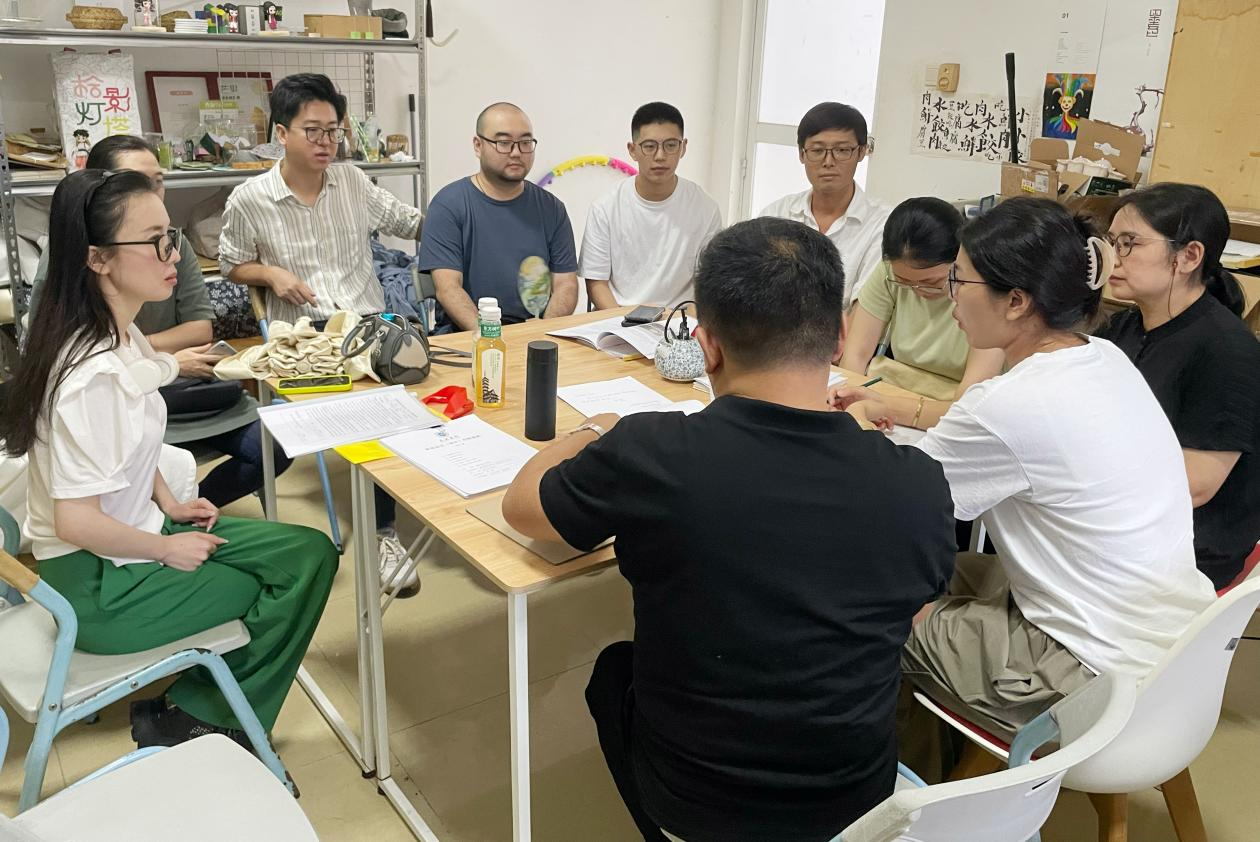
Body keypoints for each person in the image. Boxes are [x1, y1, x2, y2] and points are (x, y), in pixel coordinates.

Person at [502, 218, 957, 841]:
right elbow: (908, 614)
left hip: (696, 810)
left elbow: (523, 508)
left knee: (613, 672)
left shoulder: (650, 452)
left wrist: (594, 429)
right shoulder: (919, 483)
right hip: (857, 809)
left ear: (707, 346)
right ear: (839, 336)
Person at [840, 198, 1216, 741]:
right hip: (1172, 653)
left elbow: (889, 504)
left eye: (958, 281)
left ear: (1016, 301)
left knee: (854, 609)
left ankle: (895, 773)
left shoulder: (1009, 403)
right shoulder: (1103, 356)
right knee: (924, 574)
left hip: (1089, 677)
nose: (951, 300)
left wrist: (855, 424)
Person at [0, 169, 337, 753]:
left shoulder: (119, 335)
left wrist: (169, 503)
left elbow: (129, 446)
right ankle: (198, 714)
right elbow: (75, 521)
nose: (173, 254)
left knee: (309, 553)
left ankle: (205, 699)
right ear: (98, 259)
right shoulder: (90, 375)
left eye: (171, 236)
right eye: (155, 241)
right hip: (99, 585)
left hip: (135, 536)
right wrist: (165, 548)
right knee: (278, 585)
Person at [218, 73, 425, 595]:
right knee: (329, 426)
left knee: (408, 405)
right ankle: (383, 533)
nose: (326, 142)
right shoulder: (250, 199)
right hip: (302, 337)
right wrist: (271, 274)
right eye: (312, 130)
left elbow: (411, 222)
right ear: (281, 133)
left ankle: (384, 531)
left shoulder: (352, 181)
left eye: (333, 130)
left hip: (369, 325)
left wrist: (469, 212)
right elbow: (230, 264)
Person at [30, 134, 293, 509]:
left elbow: (200, 329)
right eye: (138, 183)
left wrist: (152, 359)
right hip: (147, 395)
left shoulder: (169, 246)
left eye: (158, 181)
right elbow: (75, 519)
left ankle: (189, 503)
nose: (153, 193)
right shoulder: (91, 364)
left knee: (276, 443)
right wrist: (158, 360)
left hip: (182, 392)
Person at [1096, 183, 1260, 590]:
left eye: (1129, 243)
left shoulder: (1227, 351)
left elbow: (1196, 485)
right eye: (1111, 242)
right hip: (1125, 523)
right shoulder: (1124, 327)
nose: (1113, 256)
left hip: (1186, 554)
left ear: (1188, 256)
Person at [419, 102, 578, 331]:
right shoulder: (448, 206)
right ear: (478, 145)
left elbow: (566, 285)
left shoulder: (552, 209)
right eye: (503, 143)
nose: (516, 152)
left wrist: (542, 331)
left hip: (535, 333)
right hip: (467, 335)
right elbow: (449, 289)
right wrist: (491, 337)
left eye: (525, 143)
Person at [837, 197, 1004, 405]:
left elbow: (969, 401)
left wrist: (893, 408)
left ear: (960, 260)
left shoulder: (986, 292)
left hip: (953, 405)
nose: (918, 291)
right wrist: (848, 399)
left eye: (931, 282)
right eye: (904, 282)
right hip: (895, 390)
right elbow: (855, 356)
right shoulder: (889, 272)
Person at [579, 102, 722, 310]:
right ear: (633, 150)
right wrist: (620, 323)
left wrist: (685, 323)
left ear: (683, 147)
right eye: (649, 146)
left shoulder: (706, 209)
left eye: (670, 145)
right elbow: (596, 284)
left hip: (679, 320)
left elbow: (707, 284)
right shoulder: (605, 209)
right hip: (619, 319)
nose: (660, 156)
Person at [760, 102, 890, 310]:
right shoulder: (776, 216)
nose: (828, 161)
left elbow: (865, 310)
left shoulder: (882, 225)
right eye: (817, 150)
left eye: (842, 150)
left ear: (861, 152)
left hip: (847, 330)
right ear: (802, 154)